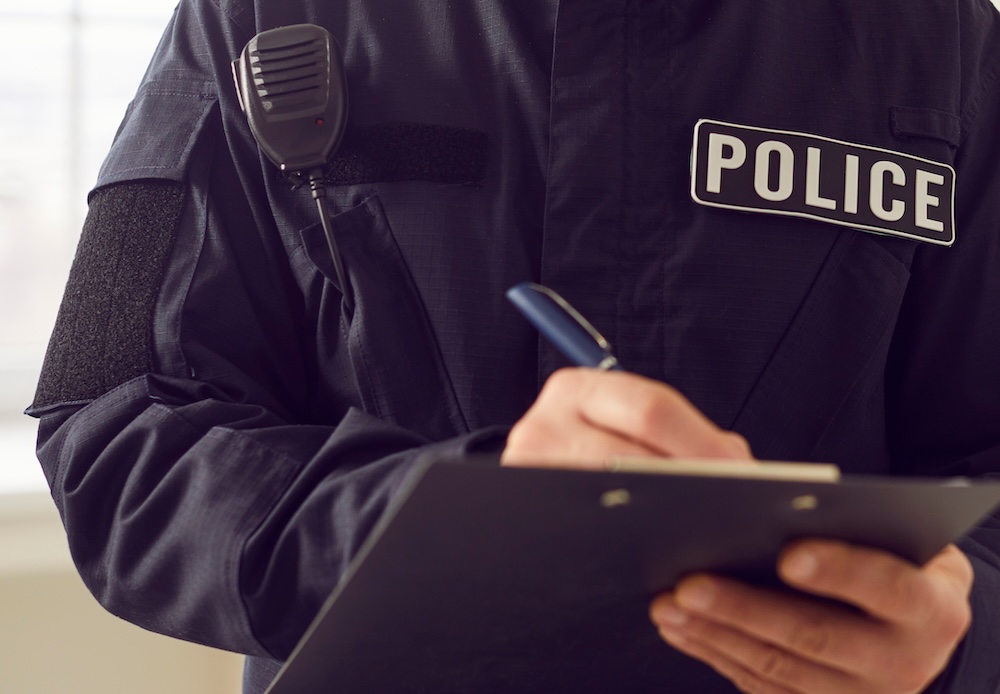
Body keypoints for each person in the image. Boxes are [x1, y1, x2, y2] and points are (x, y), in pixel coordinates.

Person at [27, 1, 1000, 692]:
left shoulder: (943, 34)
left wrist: (961, 635)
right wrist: (452, 527)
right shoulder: (256, 12)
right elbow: (115, 431)